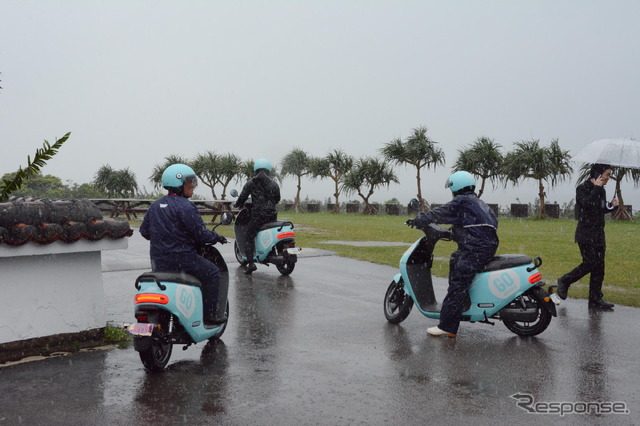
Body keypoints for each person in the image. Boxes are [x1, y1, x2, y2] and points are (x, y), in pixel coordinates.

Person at [408, 171, 499, 338]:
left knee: (458, 283)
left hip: (475, 248)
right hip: (484, 246)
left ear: (455, 187)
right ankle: (462, 302)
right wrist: (453, 234)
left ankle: (447, 326)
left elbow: (439, 213)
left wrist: (420, 219)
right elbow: (474, 225)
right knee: (455, 258)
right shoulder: (478, 202)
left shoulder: (461, 201)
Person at [140, 163, 228, 326]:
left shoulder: (155, 205)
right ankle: (210, 317)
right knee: (213, 273)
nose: (192, 187)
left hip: (159, 262)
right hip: (184, 260)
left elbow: (144, 232)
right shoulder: (187, 207)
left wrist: (163, 237)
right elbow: (201, 235)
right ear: (179, 184)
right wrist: (217, 237)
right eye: (190, 183)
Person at [557, 163, 618, 310]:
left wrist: (612, 206)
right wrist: (596, 188)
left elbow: (601, 209)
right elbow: (587, 204)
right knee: (590, 263)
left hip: (598, 234)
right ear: (598, 174)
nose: (609, 178)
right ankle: (565, 280)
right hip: (585, 234)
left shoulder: (601, 191)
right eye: (607, 175)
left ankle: (595, 300)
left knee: (599, 268)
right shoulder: (582, 188)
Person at [233, 158, 281, 274]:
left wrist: (237, 204)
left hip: (258, 216)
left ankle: (250, 264)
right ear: (269, 170)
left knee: (248, 237)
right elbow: (277, 199)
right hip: (272, 215)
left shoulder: (251, 183)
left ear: (256, 170)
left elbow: (242, 197)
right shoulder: (274, 183)